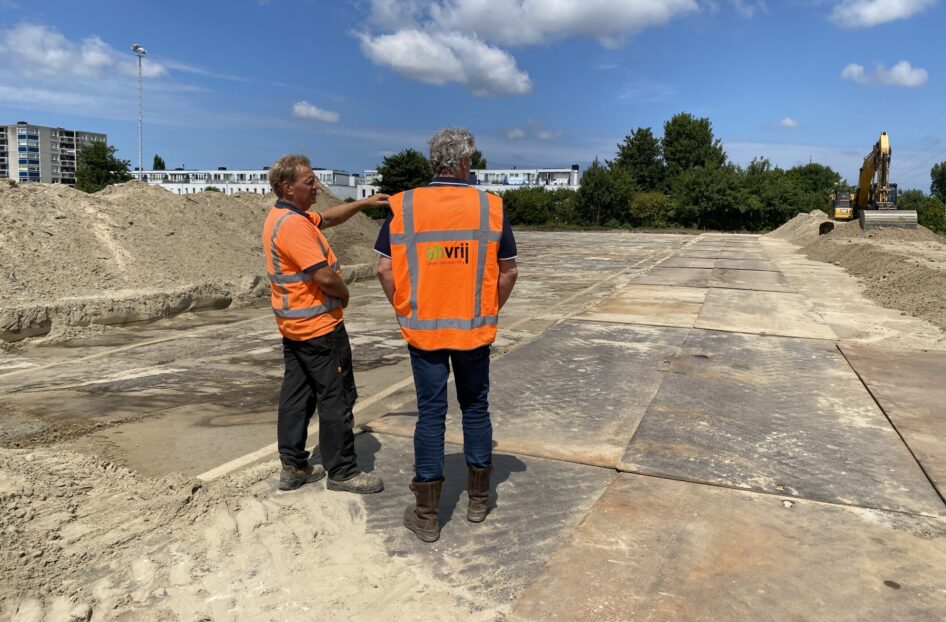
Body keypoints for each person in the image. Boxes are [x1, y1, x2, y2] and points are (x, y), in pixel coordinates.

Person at [374, 128, 519, 542]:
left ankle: (426, 514)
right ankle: (478, 501)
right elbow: (508, 271)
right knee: (475, 408)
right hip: (474, 331)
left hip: (425, 333)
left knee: (431, 415)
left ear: (433, 162)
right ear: (464, 163)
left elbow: (384, 268)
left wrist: (404, 308)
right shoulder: (490, 206)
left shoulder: (405, 205)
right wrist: (488, 310)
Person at [263, 154, 389, 493]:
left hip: (295, 330)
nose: (316, 186)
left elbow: (329, 218)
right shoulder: (293, 226)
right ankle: (343, 472)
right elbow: (323, 275)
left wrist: (363, 203)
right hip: (319, 329)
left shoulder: (287, 216)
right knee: (337, 398)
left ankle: (294, 466)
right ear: (288, 187)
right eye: (309, 182)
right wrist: (344, 294)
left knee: (296, 397)